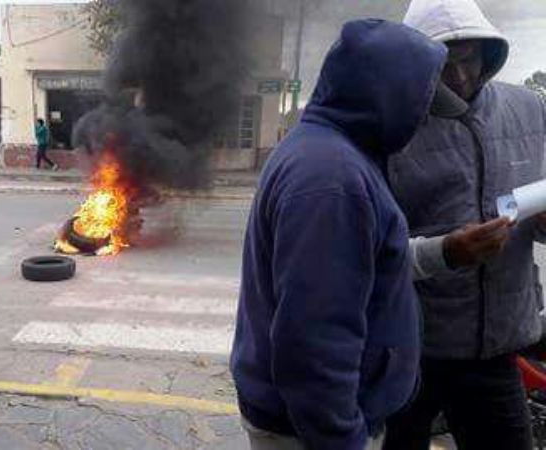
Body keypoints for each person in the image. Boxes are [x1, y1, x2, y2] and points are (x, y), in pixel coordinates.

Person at [230, 19, 447, 450]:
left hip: (303, 420)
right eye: (420, 95)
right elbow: (315, 341)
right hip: (310, 431)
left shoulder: (329, 150)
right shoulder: (334, 178)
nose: (425, 112)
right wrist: (342, 438)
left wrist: (447, 253)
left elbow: (361, 268)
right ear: (386, 92)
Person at [383, 0, 546, 448]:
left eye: (469, 59)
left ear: (489, 54)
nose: (458, 77)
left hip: (497, 349)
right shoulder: (394, 124)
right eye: (442, 64)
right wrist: (448, 252)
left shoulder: (529, 110)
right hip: (411, 348)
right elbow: (371, 250)